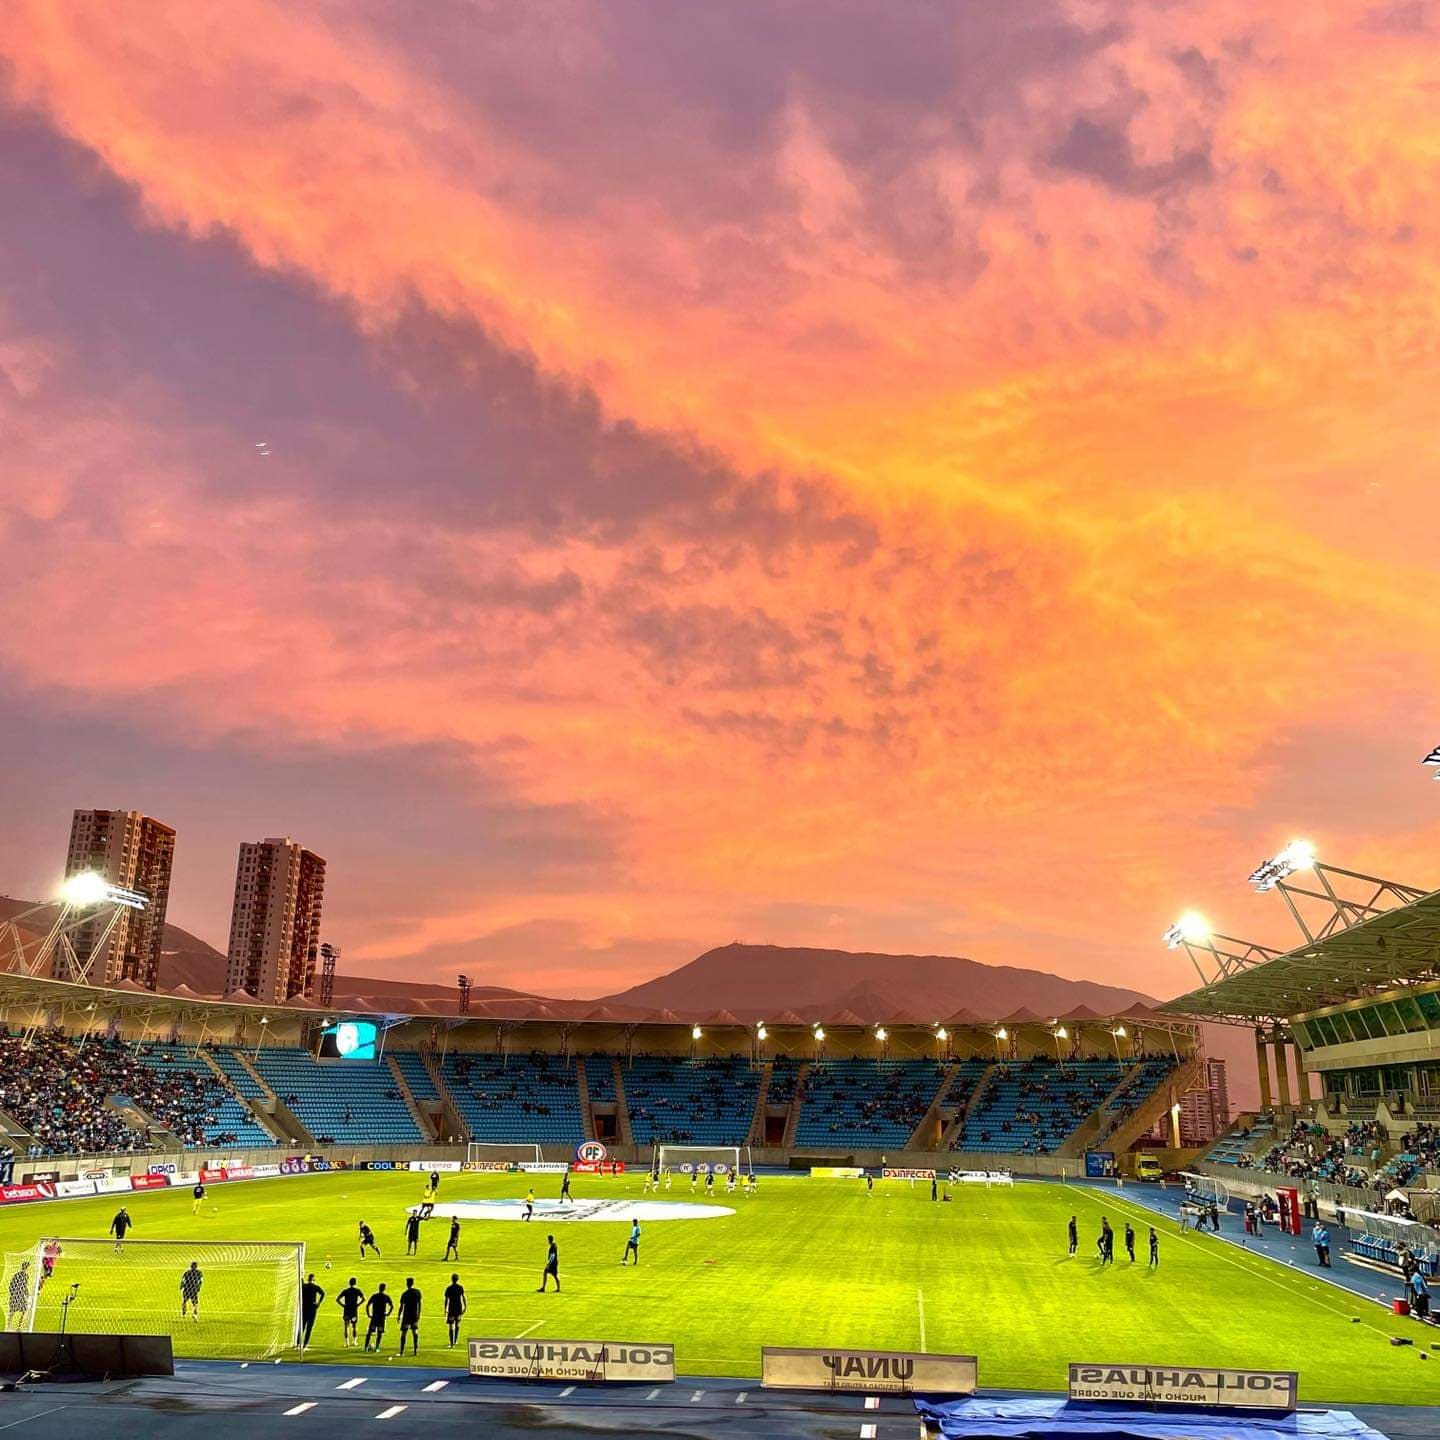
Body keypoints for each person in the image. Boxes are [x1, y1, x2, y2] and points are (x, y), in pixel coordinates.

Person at [364, 1282, 393, 1351]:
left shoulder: (374, 1296)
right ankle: (377, 1347)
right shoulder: (386, 1297)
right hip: (381, 1318)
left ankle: (366, 1347)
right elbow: (392, 1306)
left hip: (374, 1317)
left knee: (370, 1332)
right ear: (384, 1289)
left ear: (379, 1288)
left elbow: (368, 1305)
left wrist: (368, 1314)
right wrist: (388, 1313)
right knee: (379, 1333)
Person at [337, 1276, 365, 1348]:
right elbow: (363, 1299)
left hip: (346, 1310)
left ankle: (346, 1343)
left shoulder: (345, 1291)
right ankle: (355, 1341)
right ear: (355, 1283)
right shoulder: (357, 1290)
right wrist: (358, 1305)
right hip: (354, 1310)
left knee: (346, 1326)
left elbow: (337, 1299)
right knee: (354, 1326)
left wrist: (343, 1305)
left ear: (349, 1283)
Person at [397, 1277, 422, 1355]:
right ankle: (415, 1350)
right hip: (414, 1315)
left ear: (407, 1284)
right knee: (415, 1332)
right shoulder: (417, 1292)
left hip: (406, 1316)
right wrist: (418, 1314)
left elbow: (401, 1306)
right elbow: (420, 1304)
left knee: (404, 1333)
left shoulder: (405, 1294)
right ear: (413, 1283)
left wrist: (399, 1315)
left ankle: (402, 1351)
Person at [300, 1272, 325, 1346]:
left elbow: (301, 1283)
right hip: (312, 1309)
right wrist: (318, 1303)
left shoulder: (304, 1286)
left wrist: (301, 1276)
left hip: (304, 1308)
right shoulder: (316, 1287)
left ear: (308, 1279)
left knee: (302, 1326)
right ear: (314, 1279)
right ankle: (305, 1344)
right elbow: (323, 1293)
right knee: (309, 1328)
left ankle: (298, 1343)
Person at [444, 1273, 467, 1347]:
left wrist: (445, 1309)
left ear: (451, 1279)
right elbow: (463, 1297)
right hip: (458, 1308)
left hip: (451, 1309)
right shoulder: (460, 1287)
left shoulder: (449, 1288)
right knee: (457, 1324)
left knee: (451, 1325)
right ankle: (456, 1340)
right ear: (457, 1279)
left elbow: (446, 1299)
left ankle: (451, 1344)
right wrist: (465, 1306)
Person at [6, 1260, 30, 1328]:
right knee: (23, 1310)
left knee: (12, 1311)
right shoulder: (26, 1276)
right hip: (20, 1296)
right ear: (27, 1268)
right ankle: (19, 1325)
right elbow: (24, 1286)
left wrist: (12, 1293)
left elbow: (11, 1284)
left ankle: (9, 1324)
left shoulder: (16, 1274)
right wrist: (26, 1294)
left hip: (15, 1295)